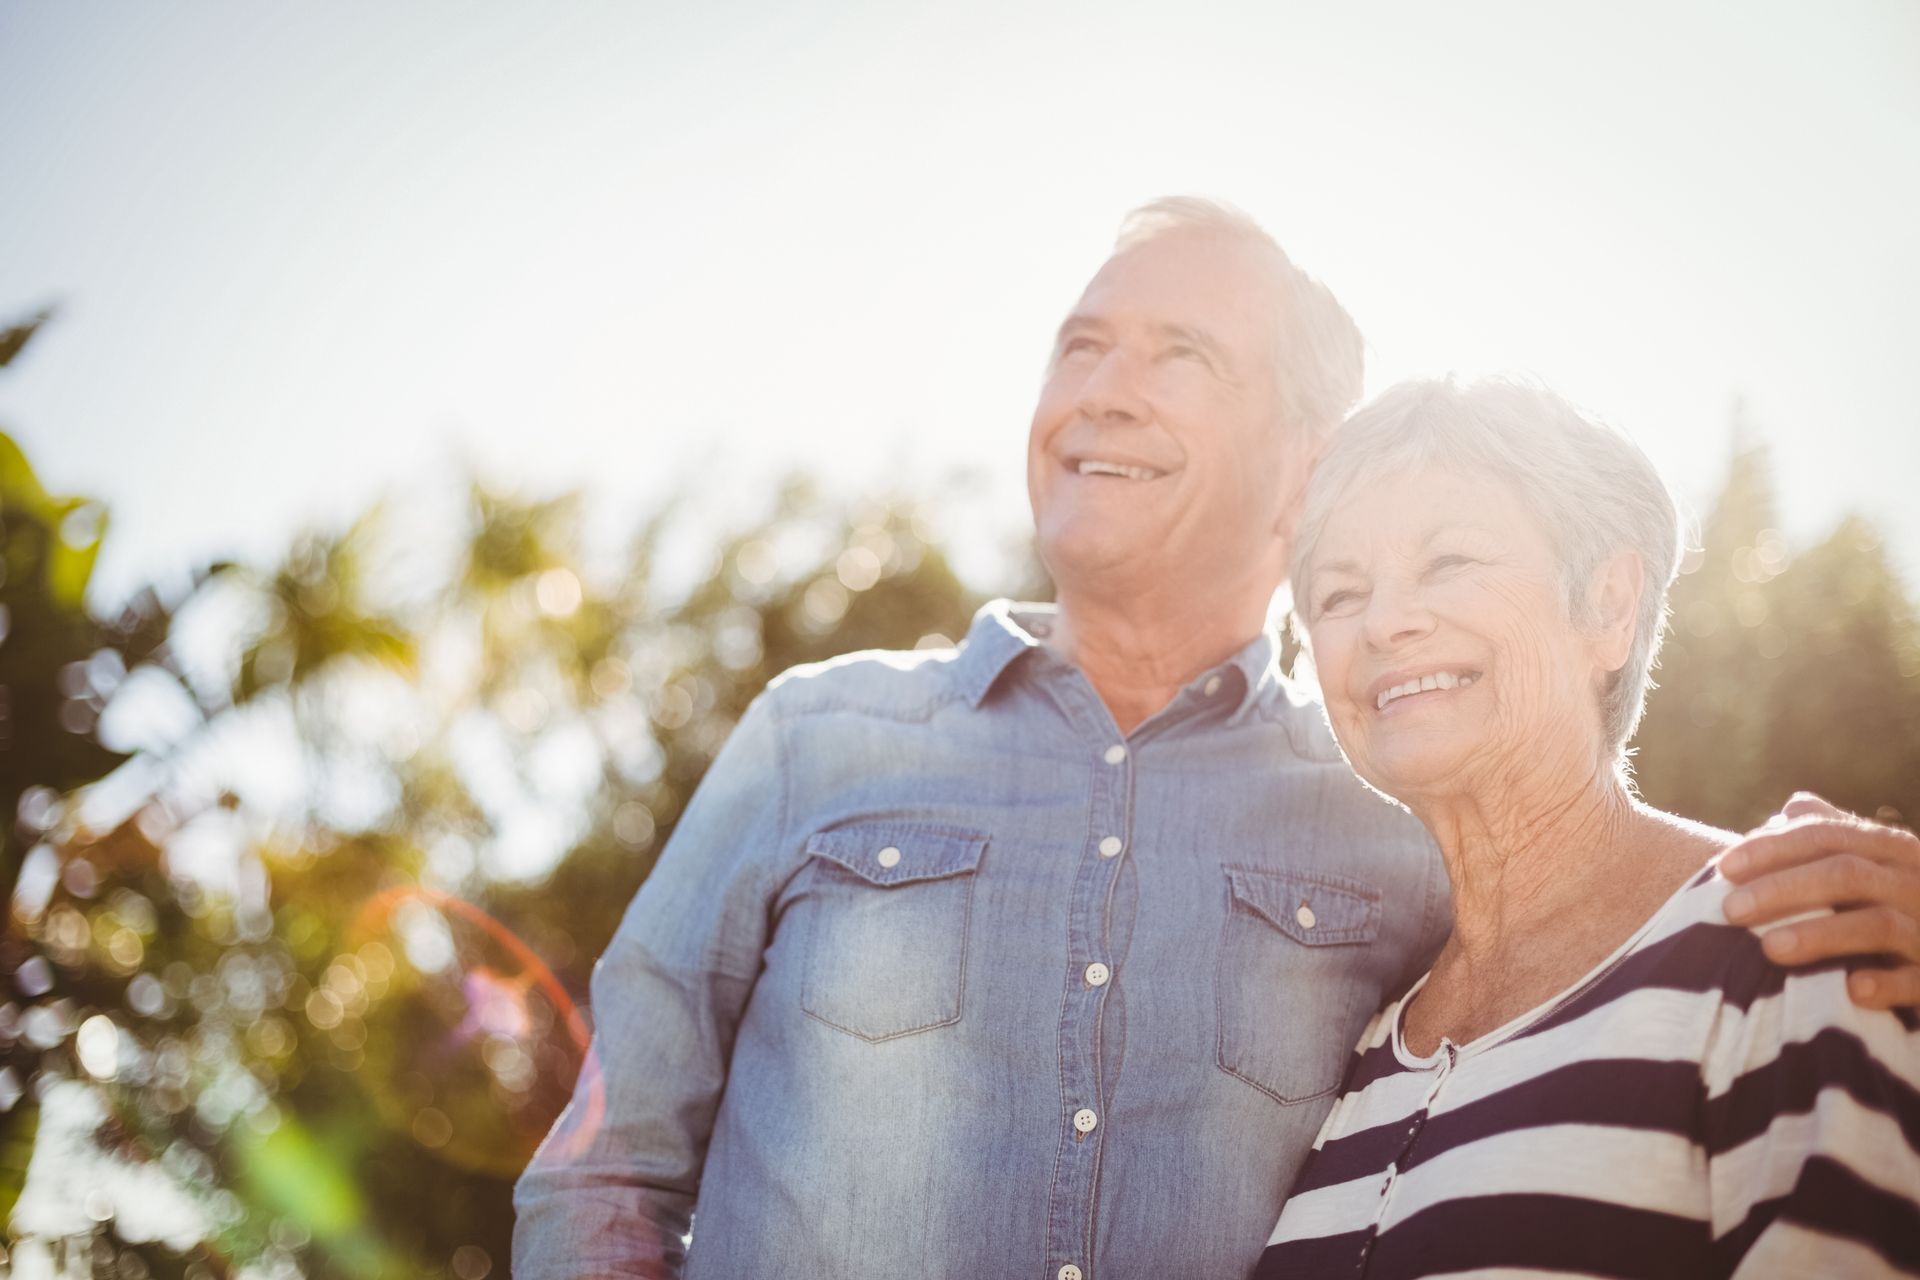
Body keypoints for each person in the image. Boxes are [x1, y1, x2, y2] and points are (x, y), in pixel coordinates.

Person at [513, 199, 1920, 1280]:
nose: (1103, 391)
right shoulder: (812, 740)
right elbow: (603, 1171)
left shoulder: (1399, 818)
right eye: (1082, 345)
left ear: (1308, 460)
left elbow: (1592, 924)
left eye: (1180, 354)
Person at [1258, 378, 1920, 1278]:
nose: (1384, 622)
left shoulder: (1789, 942)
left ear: (1608, 606)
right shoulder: (1367, 1051)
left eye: (1448, 562)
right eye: (1339, 595)